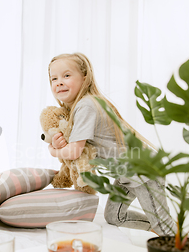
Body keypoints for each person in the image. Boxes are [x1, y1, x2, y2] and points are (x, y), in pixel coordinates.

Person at [46, 52, 175, 236]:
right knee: (114, 216)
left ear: (85, 78)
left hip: (144, 170)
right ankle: (159, 228)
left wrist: (53, 150)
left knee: (163, 224)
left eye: (66, 75)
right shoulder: (78, 108)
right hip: (127, 173)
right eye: (54, 78)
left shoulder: (86, 106)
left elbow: (75, 151)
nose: (59, 82)